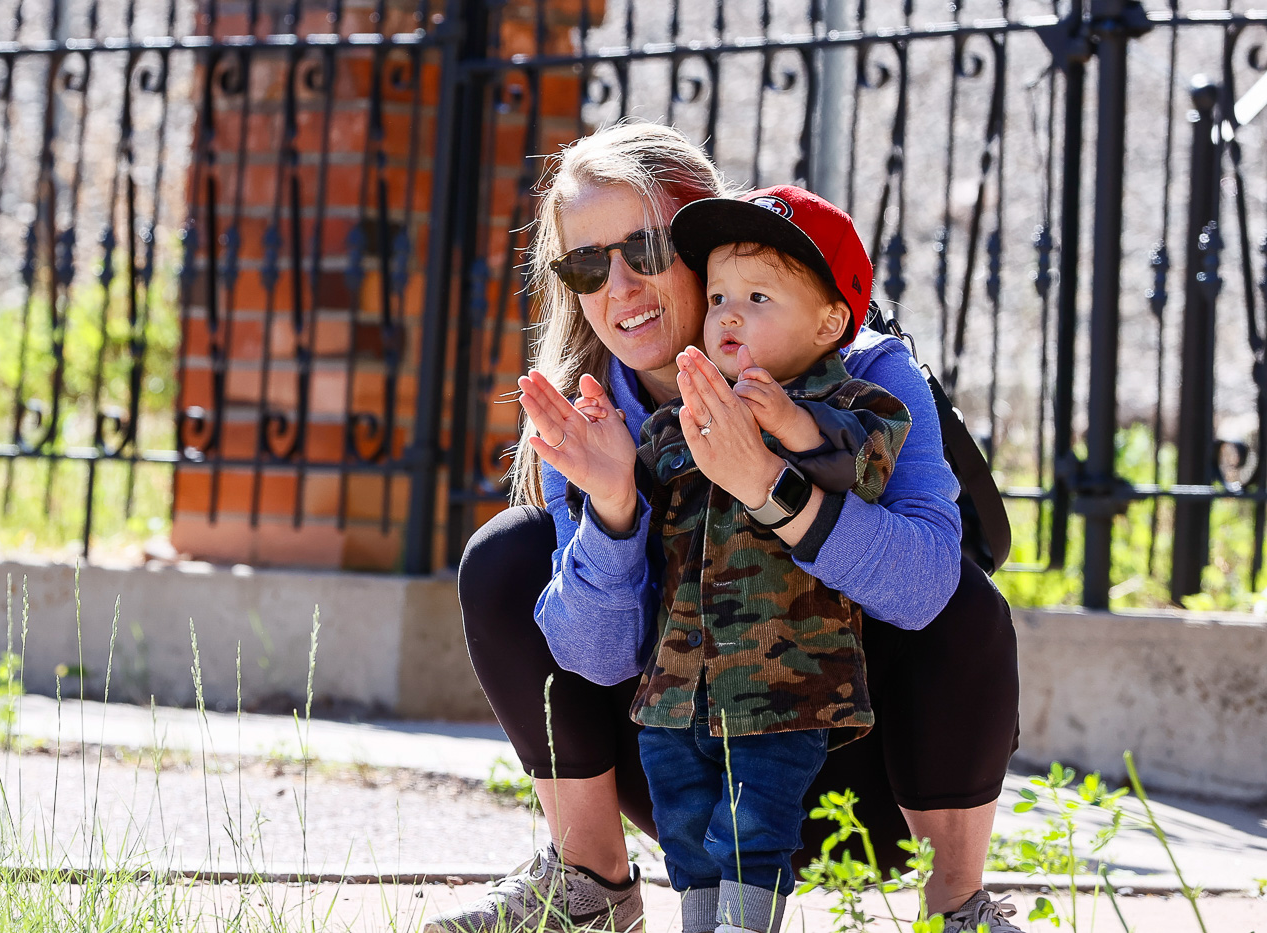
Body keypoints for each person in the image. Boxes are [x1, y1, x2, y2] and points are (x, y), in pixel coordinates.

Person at [424, 122, 1021, 933]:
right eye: (587, 265)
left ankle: (958, 907)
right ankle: (589, 884)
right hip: (687, 779)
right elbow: (597, 658)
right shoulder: (585, 413)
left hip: (861, 769)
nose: (620, 287)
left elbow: (922, 591)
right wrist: (614, 510)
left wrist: (773, 488)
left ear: (706, 246)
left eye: (645, 249)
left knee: (963, 593)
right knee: (504, 558)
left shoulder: (868, 373)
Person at [528, 183, 914, 933]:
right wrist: (610, 482)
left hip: (784, 681)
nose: (730, 315)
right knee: (683, 812)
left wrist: (789, 434)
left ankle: (745, 923)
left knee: (753, 820)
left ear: (830, 322)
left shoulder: (854, 402)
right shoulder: (681, 414)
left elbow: (863, 468)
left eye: (758, 299)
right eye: (720, 297)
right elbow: (642, 508)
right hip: (679, 681)